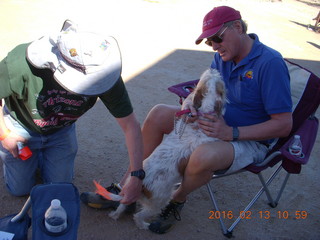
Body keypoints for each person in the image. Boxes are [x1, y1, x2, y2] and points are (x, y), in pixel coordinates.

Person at [81, 5, 292, 234]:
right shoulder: (222, 56)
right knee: (159, 113)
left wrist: (231, 132)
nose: (214, 46)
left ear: (238, 27)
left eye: (217, 38)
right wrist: (190, 105)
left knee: (204, 155)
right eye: (209, 42)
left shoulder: (269, 63)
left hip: (246, 139)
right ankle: (129, 186)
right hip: (209, 124)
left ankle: (177, 199)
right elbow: (199, 90)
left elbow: (283, 125)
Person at [0, 20, 144, 206]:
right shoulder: (20, 63)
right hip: (21, 126)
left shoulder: (101, 70)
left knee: (59, 188)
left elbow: (131, 126)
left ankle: (43, 157)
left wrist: (137, 175)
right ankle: (29, 161)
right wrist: (5, 135)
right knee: (19, 190)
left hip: (61, 130)